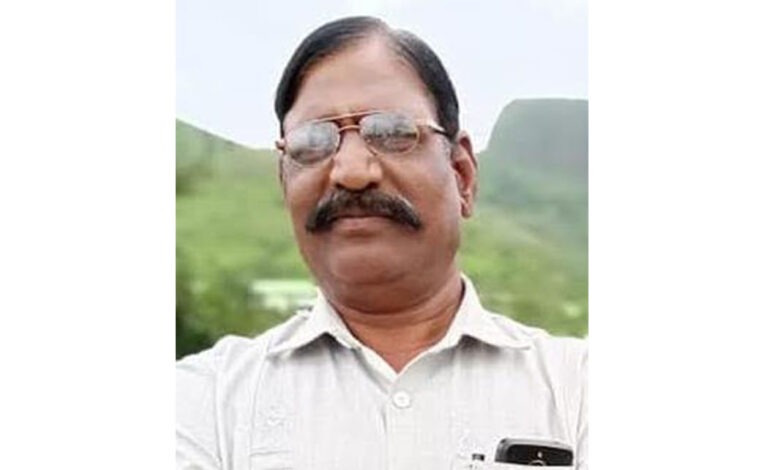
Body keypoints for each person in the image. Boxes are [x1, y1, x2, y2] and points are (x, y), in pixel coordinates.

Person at [177, 16, 587, 470]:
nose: (352, 171)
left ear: (462, 176)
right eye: (312, 142)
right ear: (284, 183)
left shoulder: (578, 392)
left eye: (392, 133)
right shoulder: (205, 403)